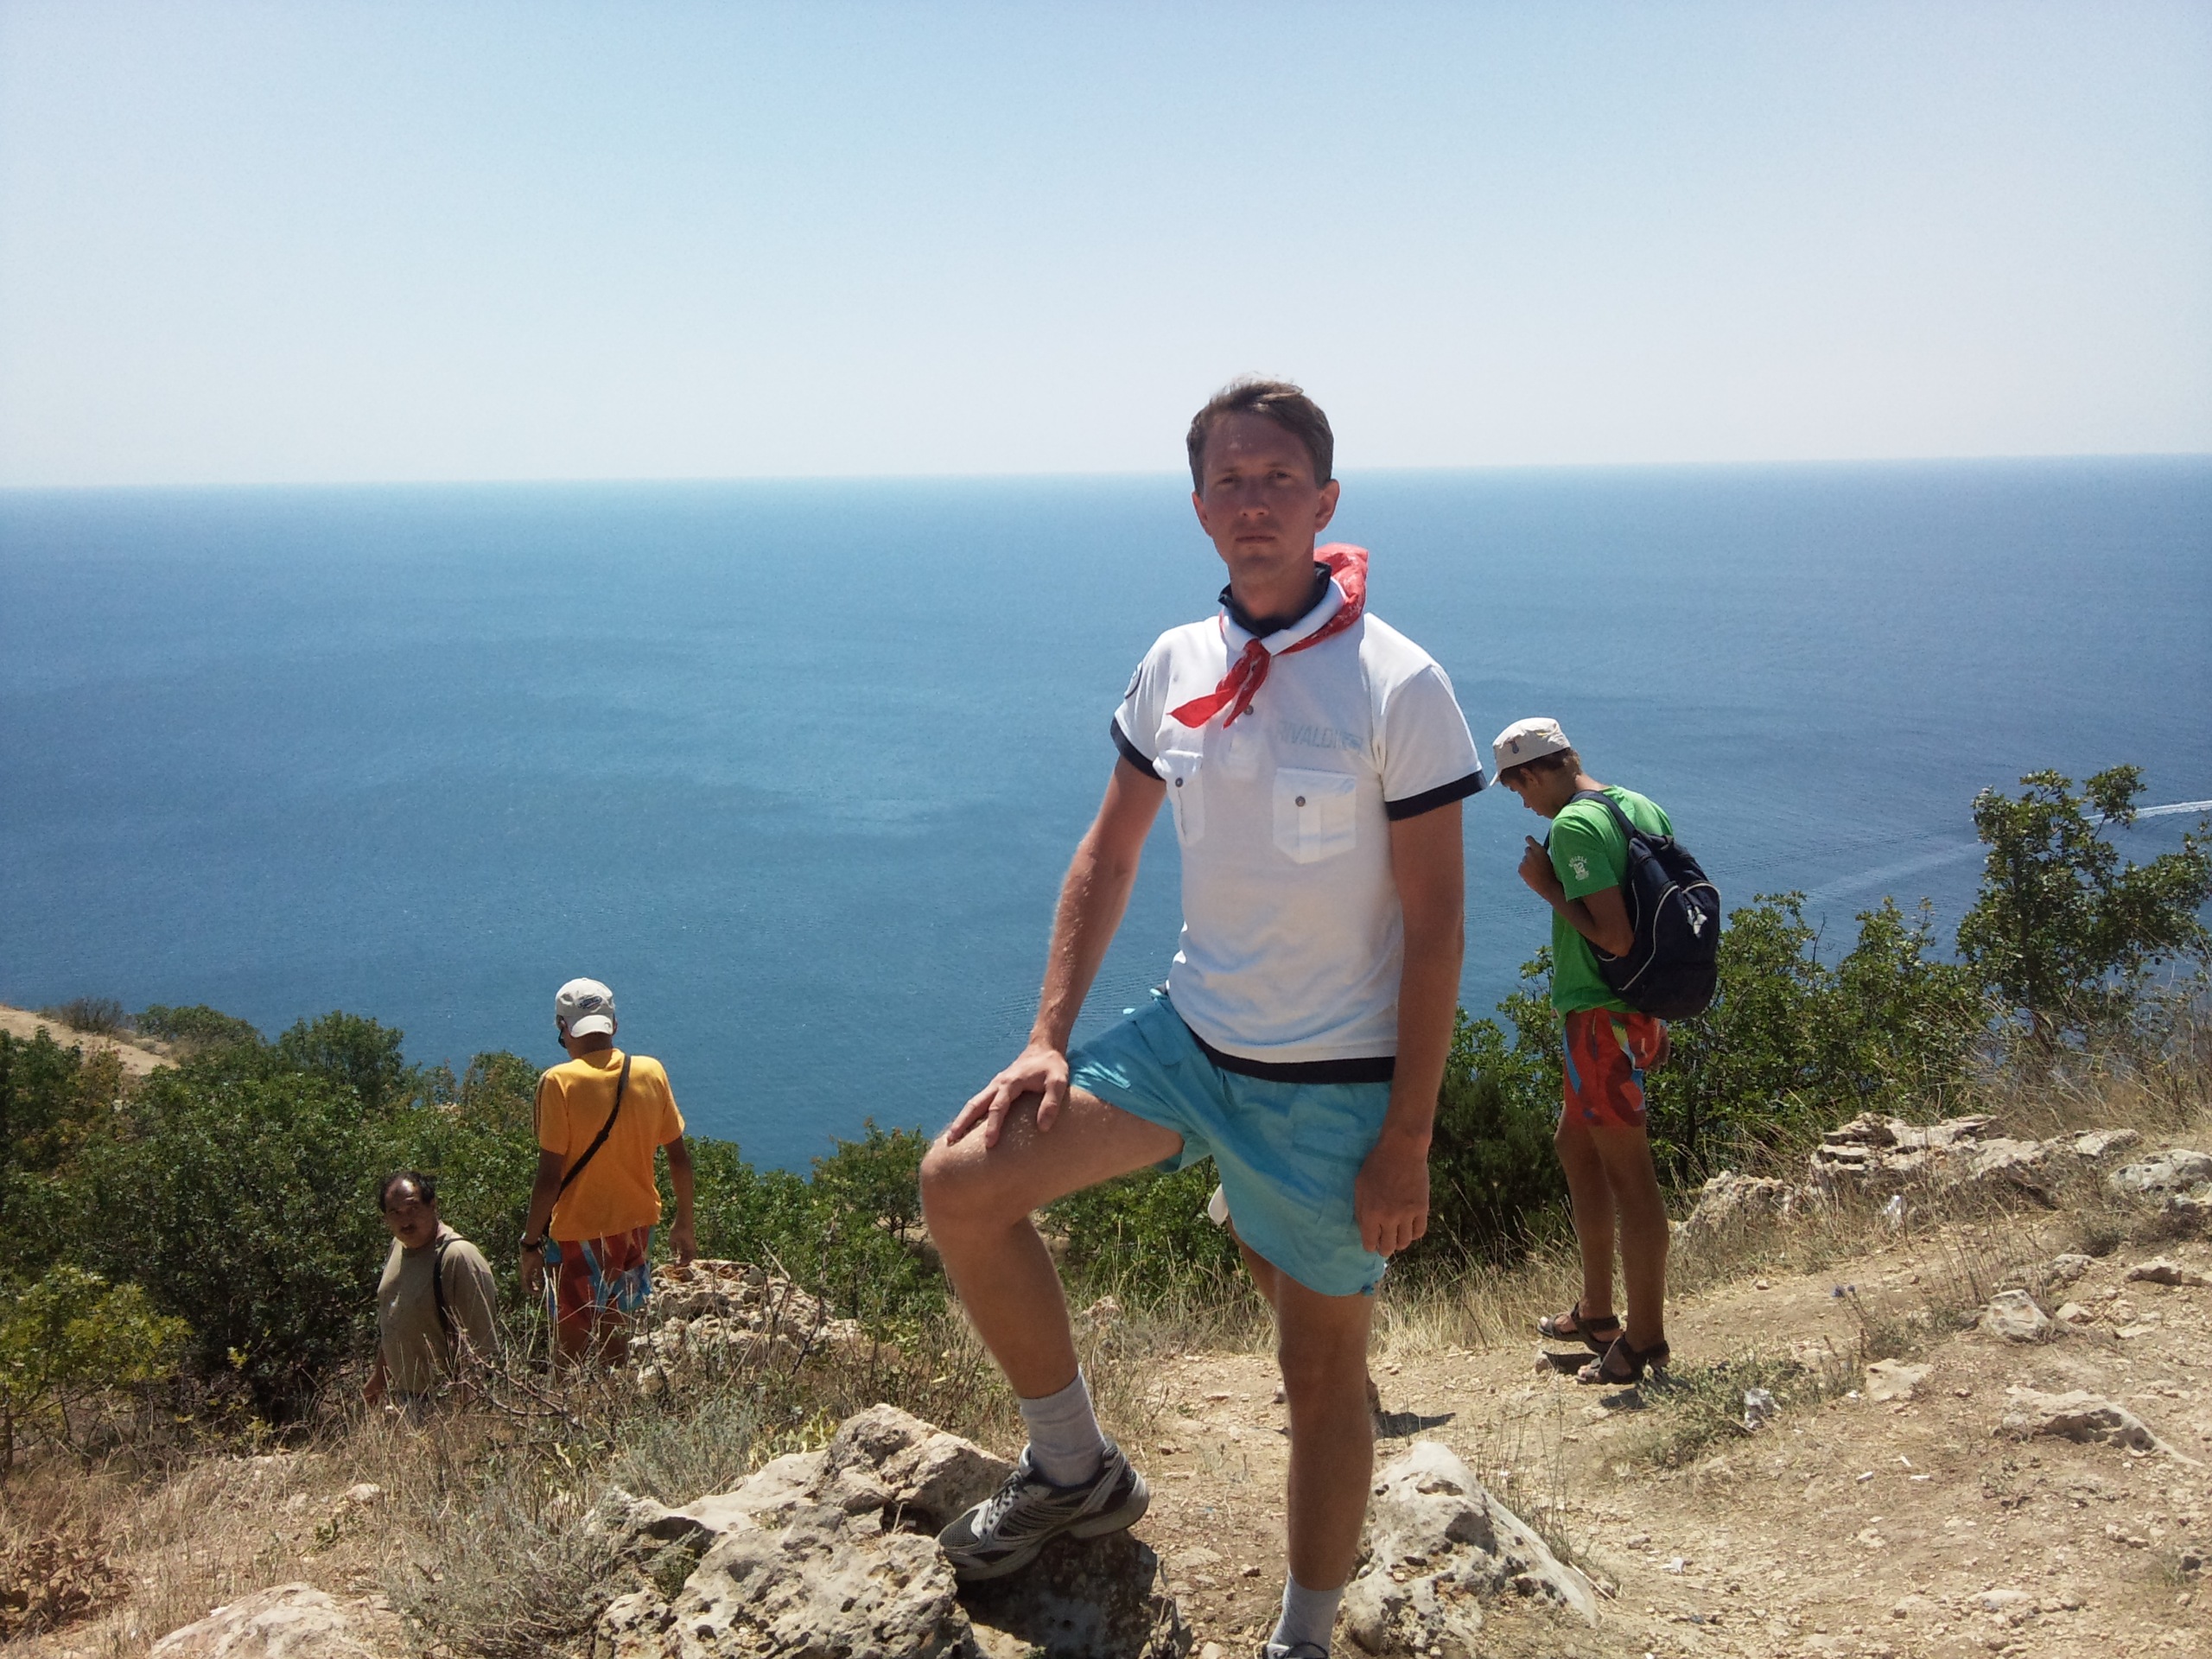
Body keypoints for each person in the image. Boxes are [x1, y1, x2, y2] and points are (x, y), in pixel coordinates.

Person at [920, 378, 1484, 1659]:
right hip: (1190, 1046)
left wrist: (1408, 1138)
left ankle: (1303, 1637)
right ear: (1198, 507)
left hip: (1332, 1088)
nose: (1253, 503)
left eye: (1279, 479)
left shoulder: (1397, 683)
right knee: (961, 1184)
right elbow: (1108, 854)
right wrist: (1047, 1035)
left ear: (1325, 501)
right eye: (1230, 480)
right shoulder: (1177, 661)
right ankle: (1074, 1466)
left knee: (1318, 1374)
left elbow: (1439, 922)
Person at [1494, 716, 1675, 1385]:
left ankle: (1644, 1341)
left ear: (1534, 772)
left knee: (1631, 1178)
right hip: (1627, 1012)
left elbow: (1617, 937)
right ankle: (1598, 1311)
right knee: (1574, 1145)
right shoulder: (1638, 806)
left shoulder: (1573, 826)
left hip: (1602, 1019)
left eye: (1519, 788)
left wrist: (1546, 887)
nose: (1523, 803)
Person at [518, 977, 697, 1363]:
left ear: (563, 1028)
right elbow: (679, 1158)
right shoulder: (650, 1071)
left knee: (570, 1350)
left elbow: (549, 1177)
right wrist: (684, 1222)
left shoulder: (559, 1082)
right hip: (636, 1229)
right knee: (616, 1340)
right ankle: (614, 1400)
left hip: (579, 1231)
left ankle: (573, 1402)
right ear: (613, 1025)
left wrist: (530, 1243)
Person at [365, 1170, 499, 1403]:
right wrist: (379, 1378)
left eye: (413, 1208)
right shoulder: (398, 1246)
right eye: (395, 1212)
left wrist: (467, 1412)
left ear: (432, 1205)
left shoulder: (457, 1257)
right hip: (407, 1398)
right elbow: (395, 1317)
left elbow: (481, 1345)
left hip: (446, 1399)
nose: (405, 1220)